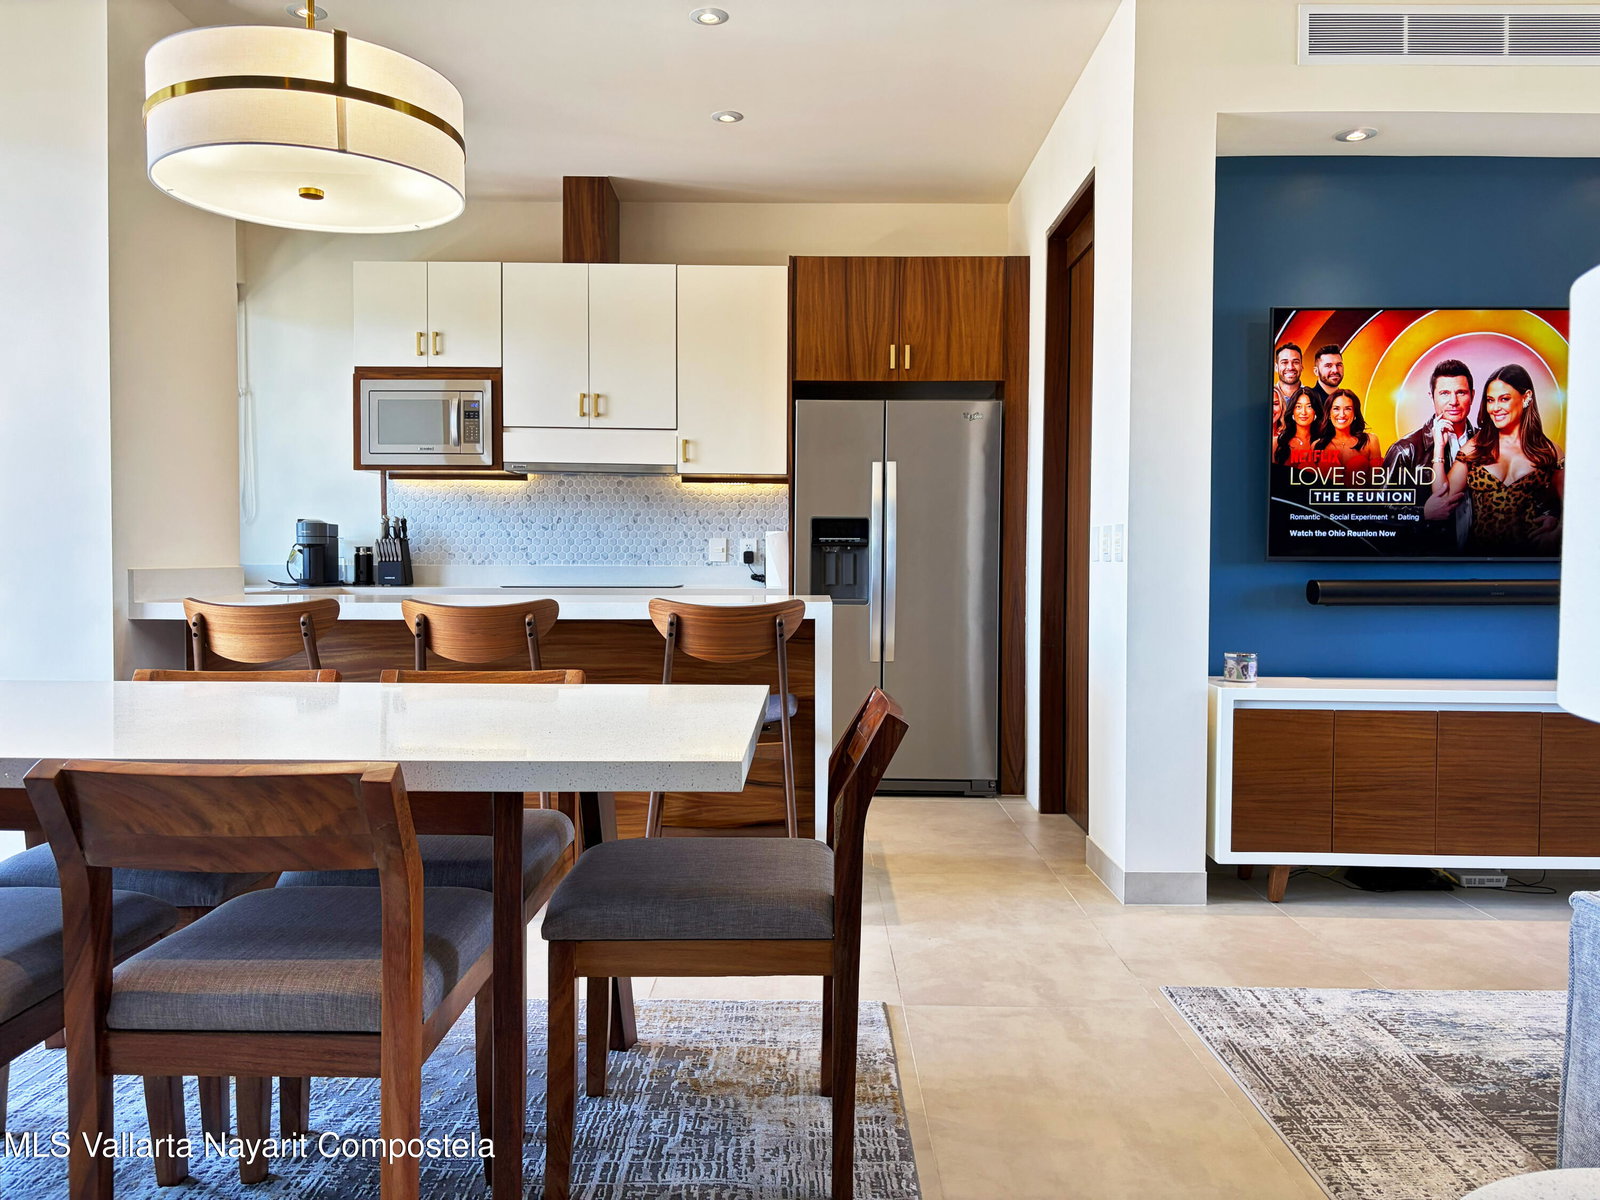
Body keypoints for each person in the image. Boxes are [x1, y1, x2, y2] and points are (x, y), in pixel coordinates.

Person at [1432, 363, 1563, 556]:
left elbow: (1576, 505)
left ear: (1526, 397)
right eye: (1490, 400)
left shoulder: (1549, 451)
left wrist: (1558, 531)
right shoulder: (1476, 447)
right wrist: (1439, 447)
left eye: (1504, 399)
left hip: (1531, 560)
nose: (1495, 408)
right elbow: (1441, 498)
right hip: (1480, 560)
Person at [1383, 358, 1478, 549]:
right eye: (1444, 393)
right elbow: (1378, 512)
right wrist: (1422, 514)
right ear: (1432, 396)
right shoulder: (1406, 449)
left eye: (1461, 392)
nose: (1453, 402)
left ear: (1472, 395)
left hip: (1481, 557)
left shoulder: (1489, 442)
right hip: (1431, 557)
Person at [1313, 389, 1383, 483]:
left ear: (1355, 414)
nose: (1342, 414)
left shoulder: (1370, 441)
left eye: (1348, 409)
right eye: (1336, 408)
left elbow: (1378, 482)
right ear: (1329, 414)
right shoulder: (1317, 445)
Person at [1273, 387, 1323, 466]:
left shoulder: (1324, 442)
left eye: (1309, 406)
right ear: (1293, 411)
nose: (1303, 412)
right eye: (1298, 406)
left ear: (1315, 411)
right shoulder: (1277, 442)